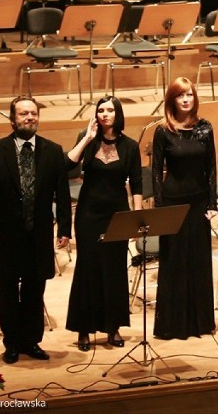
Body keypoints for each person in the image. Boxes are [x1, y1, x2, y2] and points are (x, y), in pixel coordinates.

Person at [0, 96, 71, 365]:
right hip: (6, 235)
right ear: (12, 119)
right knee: (7, 290)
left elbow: (61, 193)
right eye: (23, 114)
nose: (30, 117)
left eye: (33, 113)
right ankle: (12, 343)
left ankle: (31, 341)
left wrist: (64, 227)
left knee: (34, 290)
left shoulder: (52, 151)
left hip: (38, 234)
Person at [65, 95, 142, 352]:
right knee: (87, 268)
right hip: (88, 213)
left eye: (110, 110)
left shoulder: (130, 146)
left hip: (117, 214)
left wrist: (137, 221)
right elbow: (68, 166)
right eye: (101, 110)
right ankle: (84, 329)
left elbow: (137, 185)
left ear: (118, 114)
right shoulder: (88, 141)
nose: (105, 114)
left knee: (114, 269)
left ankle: (113, 326)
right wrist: (86, 137)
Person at [152, 77, 217, 340]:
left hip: (199, 201)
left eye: (189, 94)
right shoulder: (163, 131)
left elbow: (211, 167)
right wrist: (158, 208)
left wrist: (212, 203)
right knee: (174, 262)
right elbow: (156, 171)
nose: (186, 99)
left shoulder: (205, 128)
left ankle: (200, 322)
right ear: (172, 100)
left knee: (198, 262)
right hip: (173, 202)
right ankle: (173, 324)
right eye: (180, 95)